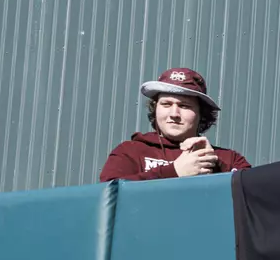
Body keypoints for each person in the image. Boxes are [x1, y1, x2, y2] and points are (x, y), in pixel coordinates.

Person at [99, 67, 250, 181]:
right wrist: (174, 171)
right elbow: (108, 197)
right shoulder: (130, 152)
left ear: (201, 113)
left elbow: (253, 199)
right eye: (166, 104)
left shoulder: (229, 159)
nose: (174, 114)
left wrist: (214, 165)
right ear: (155, 108)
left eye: (184, 106)